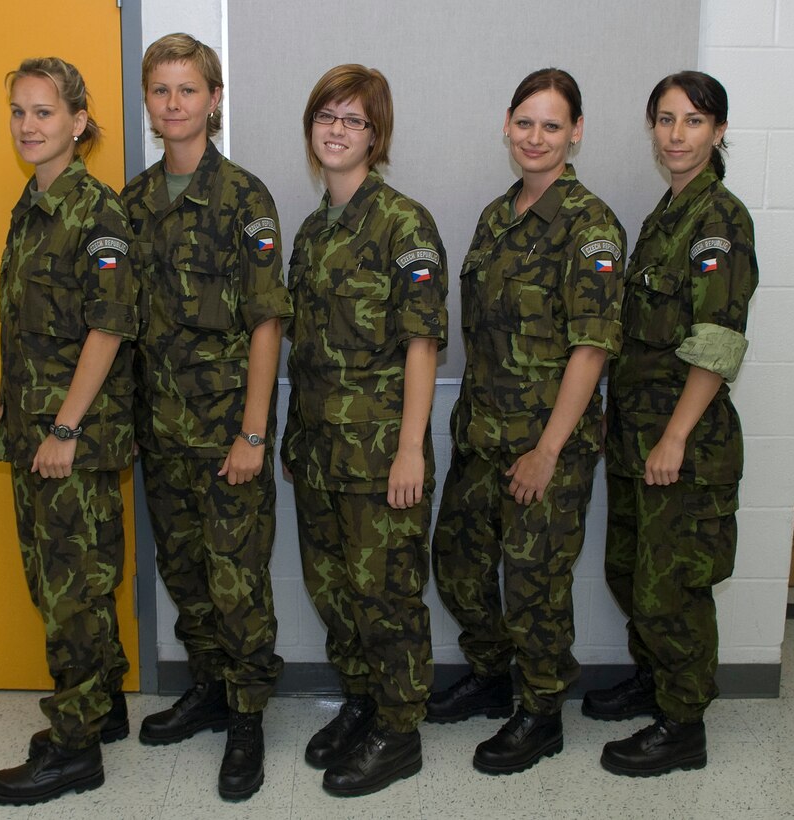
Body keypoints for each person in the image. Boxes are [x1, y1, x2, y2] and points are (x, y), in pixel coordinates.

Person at [428, 68, 624, 775]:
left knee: (535, 583)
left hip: (548, 447)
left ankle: (540, 711)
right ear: (505, 126)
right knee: (457, 568)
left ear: (575, 132)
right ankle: (489, 677)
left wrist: (547, 450)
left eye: (551, 125)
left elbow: (591, 346)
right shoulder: (495, 216)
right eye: (524, 123)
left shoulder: (589, 224)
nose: (535, 138)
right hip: (481, 440)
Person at [121, 33, 290, 801]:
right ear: (148, 103)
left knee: (236, 580)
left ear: (213, 100)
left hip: (228, 436)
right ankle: (209, 687)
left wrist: (253, 433)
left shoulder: (244, 198)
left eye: (188, 90)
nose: (174, 104)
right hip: (162, 432)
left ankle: (247, 715)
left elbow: (265, 322)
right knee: (186, 573)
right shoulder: (133, 201)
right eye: (161, 91)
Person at [584, 70, 758, 777]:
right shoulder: (668, 214)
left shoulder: (718, 220)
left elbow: (716, 339)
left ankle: (683, 723)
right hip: (637, 438)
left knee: (672, 589)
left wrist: (676, 437)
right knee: (630, 574)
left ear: (717, 133)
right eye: (664, 119)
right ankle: (656, 681)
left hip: (681, 446)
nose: (675, 134)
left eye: (692, 121)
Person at [281, 64, 448, 797]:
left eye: (353, 120)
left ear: (376, 137)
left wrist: (411, 447)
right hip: (319, 454)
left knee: (387, 597)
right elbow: (305, 348)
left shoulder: (401, 222)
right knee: (333, 593)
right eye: (327, 116)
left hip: (382, 455)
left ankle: (399, 730)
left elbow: (422, 343)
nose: (337, 130)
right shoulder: (314, 229)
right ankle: (362, 701)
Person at [0, 57, 138, 805]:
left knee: (73, 587)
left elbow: (108, 328)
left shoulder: (96, 212)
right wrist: (2, 401)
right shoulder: (33, 203)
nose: (27, 125)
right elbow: (27, 324)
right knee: (61, 580)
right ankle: (101, 708)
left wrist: (65, 426)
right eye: (18, 111)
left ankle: (76, 751)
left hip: (69, 438)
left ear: (78, 123)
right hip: (31, 423)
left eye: (43, 112)